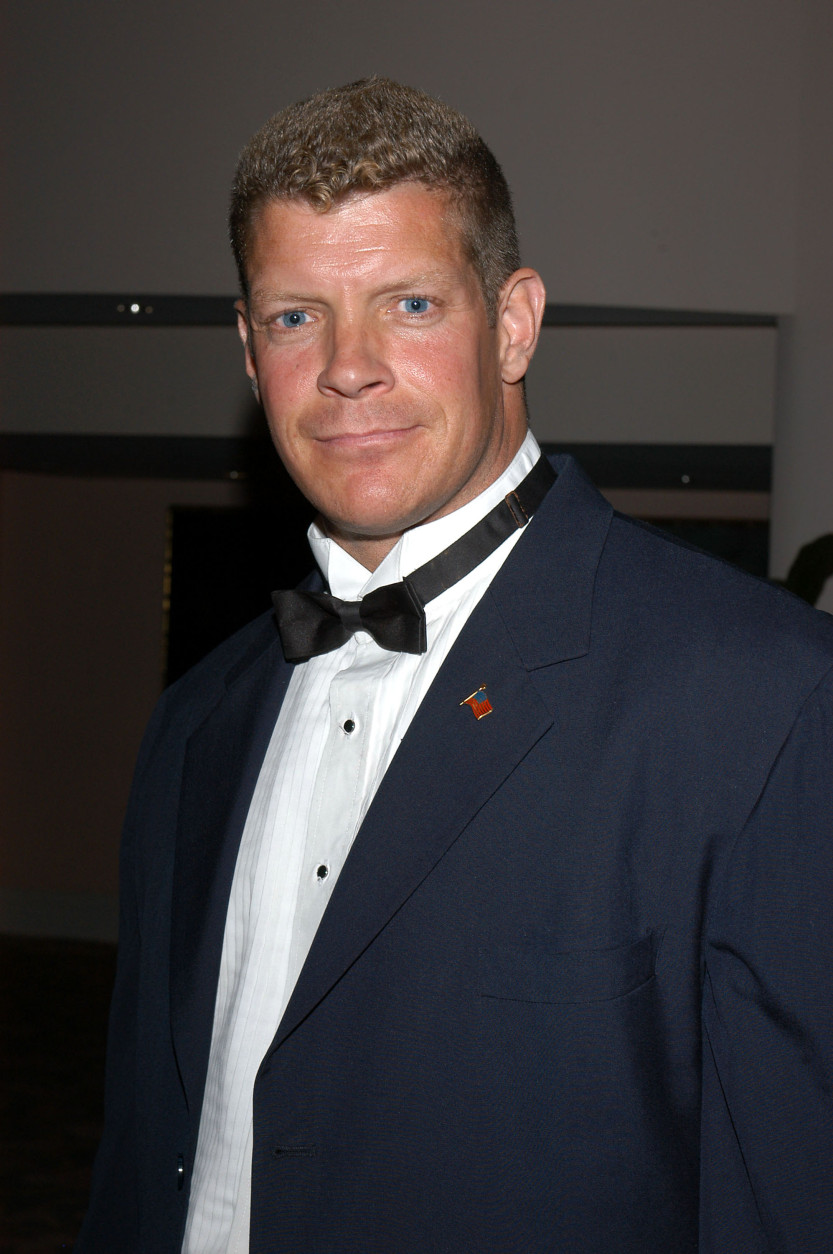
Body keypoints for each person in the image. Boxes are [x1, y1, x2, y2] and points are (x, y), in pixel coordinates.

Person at [77, 78, 833, 1254]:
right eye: (295, 317)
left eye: (411, 303)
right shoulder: (195, 719)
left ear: (513, 323)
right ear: (248, 349)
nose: (347, 367)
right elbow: (145, 1152)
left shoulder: (758, 694)